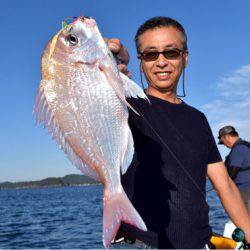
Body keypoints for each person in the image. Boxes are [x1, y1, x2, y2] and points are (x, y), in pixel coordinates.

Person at [107, 16, 250, 249]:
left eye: (171, 52)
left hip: (200, 243)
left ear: (185, 58)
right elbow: (81, 88)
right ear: (141, 62)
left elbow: (225, 185)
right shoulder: (124, 106)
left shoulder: (198, 119)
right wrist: (109, 62)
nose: (161, 62)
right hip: (143, 244)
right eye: (151, 54)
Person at [218, 125, 250, 212]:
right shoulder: (246, 146)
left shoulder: (238, 149)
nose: (224, 145)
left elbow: (232, 174)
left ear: (227, 137)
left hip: (245, 191)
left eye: (223, 141)